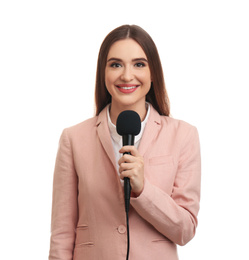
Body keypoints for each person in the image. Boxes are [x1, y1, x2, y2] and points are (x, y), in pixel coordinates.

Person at [48, 24, 201, 260]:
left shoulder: (183, 135)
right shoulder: (74, 139)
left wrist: (143, 189)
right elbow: (62, 233)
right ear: (104, 72)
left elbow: (186, 230)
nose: (127, 75)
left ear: (153, 73)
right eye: (116, 64)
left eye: (139, 64)